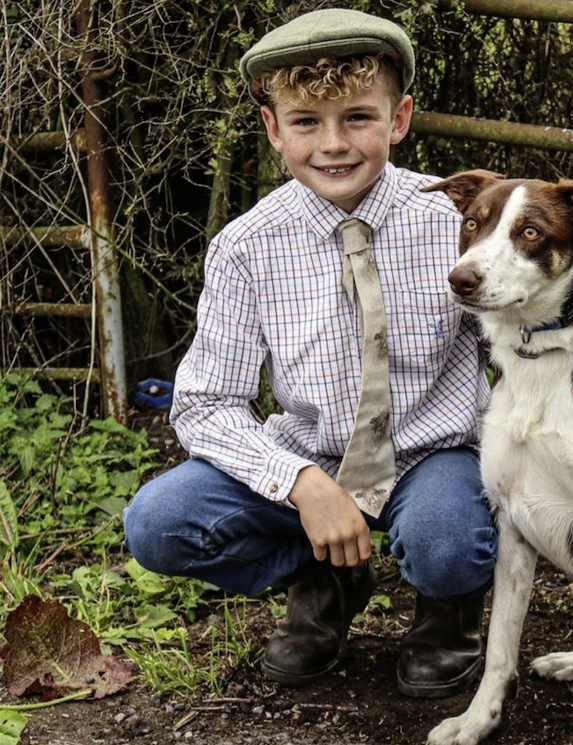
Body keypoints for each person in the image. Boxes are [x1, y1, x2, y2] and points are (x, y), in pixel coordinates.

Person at [123, 7, 497, 699]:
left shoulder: (456, 221)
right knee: (158, 522)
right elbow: (206, 403)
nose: (333, 144)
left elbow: (519, 348)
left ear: (400, 117)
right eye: (305, 122)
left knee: (448, 539)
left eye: (358, 117)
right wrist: (301, 482)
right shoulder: (246, 246)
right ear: (272, 129)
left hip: (431, 458)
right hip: (312, 461)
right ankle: (324, 573)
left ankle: (449, 611)